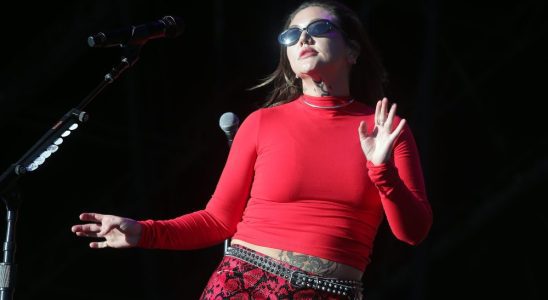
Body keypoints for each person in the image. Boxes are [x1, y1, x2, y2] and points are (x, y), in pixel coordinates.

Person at [71, 1, 433, 299]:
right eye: (291, 34)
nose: (304, 37)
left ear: (352, 50)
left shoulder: (386, 130)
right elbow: (218, 220)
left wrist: (382, 172)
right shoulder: (262, 124)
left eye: (320, 28)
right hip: (244, 284)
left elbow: (412, 232)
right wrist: (143, 231)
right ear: (288, 57)